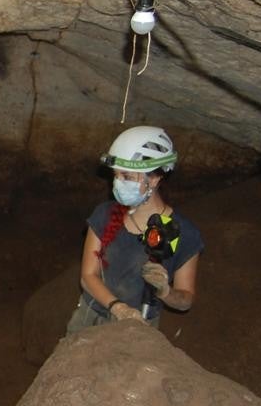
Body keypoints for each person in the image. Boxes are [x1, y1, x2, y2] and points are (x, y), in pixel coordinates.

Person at [66, 126, 204, 332]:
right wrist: (118, 308)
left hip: (139, 328)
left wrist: (166, 292)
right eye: (116, 175)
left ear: (155, 178)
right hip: (90, 320)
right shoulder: (105, 214)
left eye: (127, 176)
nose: (118, 182)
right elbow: (88, 276)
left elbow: (185, 300)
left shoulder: (181, 231)